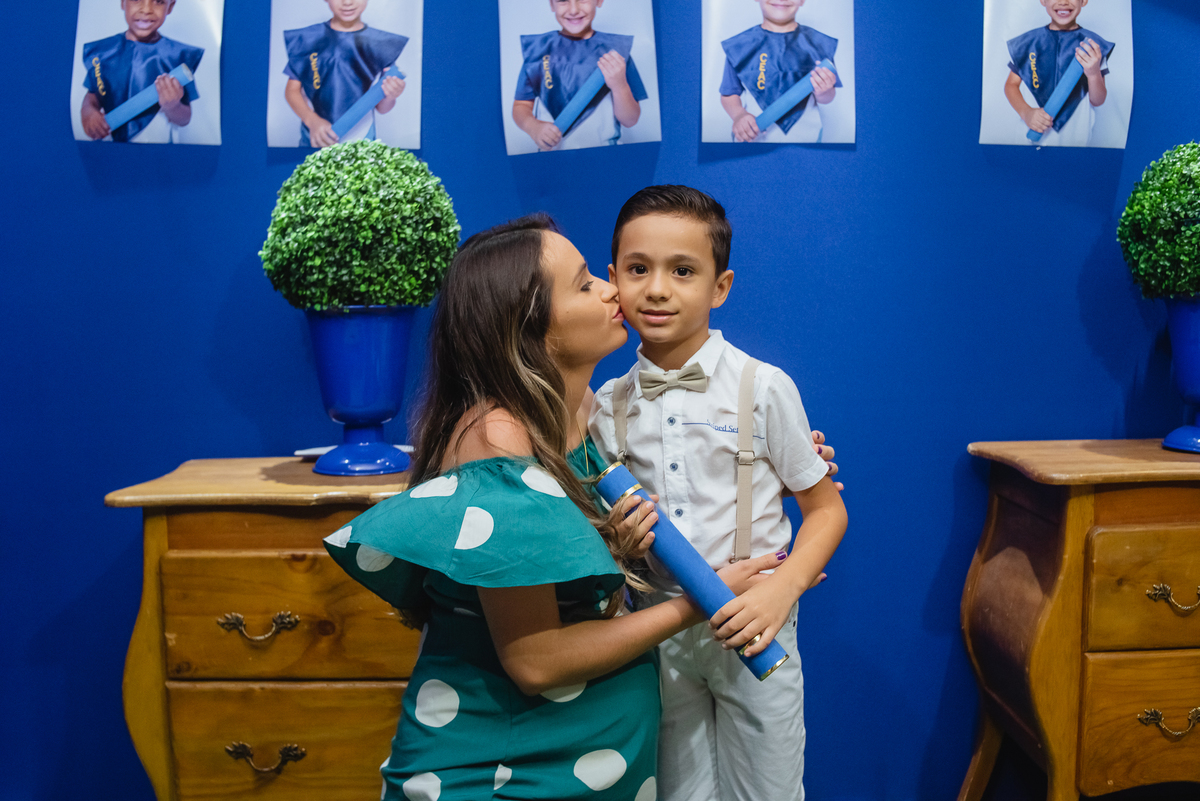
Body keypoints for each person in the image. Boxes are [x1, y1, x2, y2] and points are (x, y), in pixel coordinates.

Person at [323, 216, 809, 800]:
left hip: (575, 768)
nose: (613, 292)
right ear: (528, 326)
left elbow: (557, 564)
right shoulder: (496, 440)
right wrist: (705, 600)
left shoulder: (578, 417)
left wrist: (765, 468)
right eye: (584, 285)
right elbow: (537, 660)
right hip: (510, 773)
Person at [589, 186, 848, 801]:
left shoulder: (764, 387)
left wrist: (781, 592)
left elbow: (826, 510)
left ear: (720, 286)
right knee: (677, 788)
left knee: (768, 788)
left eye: (683, 271)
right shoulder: (603, 408)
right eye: (638, 269)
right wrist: (616, 545)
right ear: (613, 280)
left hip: (757, 621)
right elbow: (597, 531)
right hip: (657, 629)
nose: (657, 289)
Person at [513, 0, 648, 151]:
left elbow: (630, 120)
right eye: (563, 0)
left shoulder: (616, 52)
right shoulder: (538, 52)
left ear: (599, 1)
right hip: (552, 160)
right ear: (551, 4)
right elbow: (521, 106)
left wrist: (619, 86)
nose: (573, 10)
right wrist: (533, 127)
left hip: (604, 157)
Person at [283, 0, 407, 148]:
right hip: (317, 135)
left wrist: (391, 95)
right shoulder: (309, 40)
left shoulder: (379, 44)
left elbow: (382, 108)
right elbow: (292, 91)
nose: (347, 2)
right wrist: (312, 120)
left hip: (362, 139)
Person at [80, 0, 204, 143]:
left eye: (159, 2)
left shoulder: (177, 57)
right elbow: (93, 95)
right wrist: (88, 111)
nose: (146, 10)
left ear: (170, 6)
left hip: (156, 146)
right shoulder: (104, 53)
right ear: (122, 2)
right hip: (108, 145)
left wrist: (173, 106)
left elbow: (185, 118)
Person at [718, 0, 840, 143]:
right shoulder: (739, 47)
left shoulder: (818, 45)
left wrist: (824, 92)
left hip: (807, 140)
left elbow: (828, 96)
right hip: (754, 141)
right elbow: (729, 93)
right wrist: (739, 115)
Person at [1004, 0, 1114, 147]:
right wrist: (1026, 113)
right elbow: (1011, 85)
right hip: (1029, 139)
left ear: (1084, 1)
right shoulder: (1029, 43)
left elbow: (1098, 100)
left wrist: (1093, 74)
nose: (1063, 2)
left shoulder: (1093, 47)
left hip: (1075, 140)